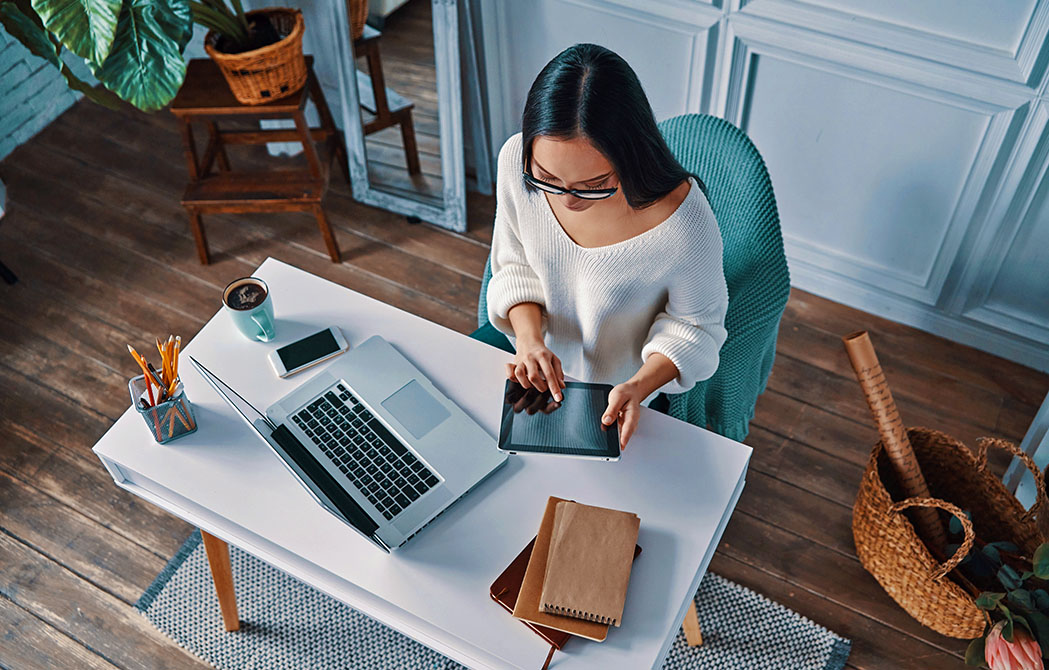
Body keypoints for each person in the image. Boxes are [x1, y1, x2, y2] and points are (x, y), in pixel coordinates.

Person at [487, 43, 728, 449]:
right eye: (546, 177)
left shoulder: (682, 222)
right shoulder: (515, 160)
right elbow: (515, 266)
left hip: (621, 395)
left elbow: (696, 327)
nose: (566, 200)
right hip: (532, 369)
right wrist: (530, 341)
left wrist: (637, 386)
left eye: (594, 186)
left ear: (630, 155)